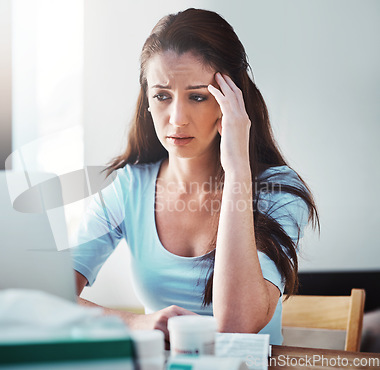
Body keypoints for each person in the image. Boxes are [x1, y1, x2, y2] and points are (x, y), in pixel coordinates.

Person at [71, 8, 318, 345]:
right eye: (161, 96)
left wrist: (237, 172)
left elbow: (237, 323)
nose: (177, 119)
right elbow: (50, 298)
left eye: (198, 96)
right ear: (146, 100)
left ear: (230, 101)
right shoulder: (128, 187)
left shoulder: (279, 190)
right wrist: (136, 323)